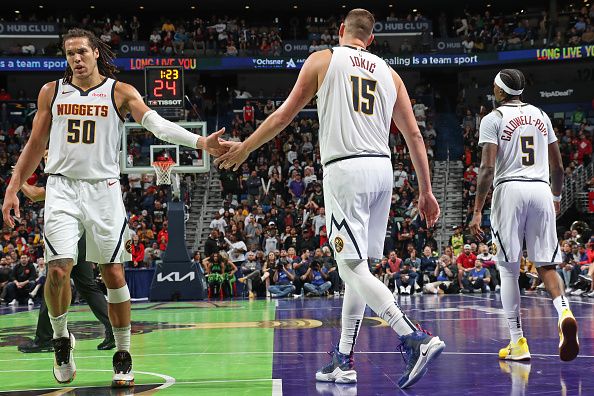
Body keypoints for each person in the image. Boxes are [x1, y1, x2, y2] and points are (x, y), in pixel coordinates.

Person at [215, 8, 444, 388]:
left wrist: (246, 148)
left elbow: (284, 115)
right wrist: (426, 191)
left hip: (346, 171)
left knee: (348, 269)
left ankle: (412, 336)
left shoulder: (324, 58)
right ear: (370, 39)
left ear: (341, 31)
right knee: (359, 270)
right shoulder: (391, 75)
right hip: (383, 172)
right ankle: (343, 358)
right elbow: (415, 137)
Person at [1, 28, 225, 388]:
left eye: (82, 52)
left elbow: (157, 125)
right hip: (61, 187)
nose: (76, 58)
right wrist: (12, 188)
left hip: (103, 191)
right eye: (70, 53)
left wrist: (199, 142)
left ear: (95, 54)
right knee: (57, 271)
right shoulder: (52, 92)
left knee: (114, 276)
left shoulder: (119, 92)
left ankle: (123, 352)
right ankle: (61, 339)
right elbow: (34, 144)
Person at [470, 68, 579, 362]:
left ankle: (518, 342)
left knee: (508, 268)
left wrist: (478, 209)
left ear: (500, 91)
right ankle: (564, 311)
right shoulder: (542, 115)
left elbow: (487, 169)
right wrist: (556, 198)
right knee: (546, 263)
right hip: (541, 190)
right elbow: (558, 167)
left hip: (510, 190)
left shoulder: (493, 119)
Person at [17, 175, 115, 353]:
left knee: (54, 282)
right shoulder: (81, 178)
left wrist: (18, 177)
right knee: (86, 285)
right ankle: (114, 329)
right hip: (83, 234)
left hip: (66, 234)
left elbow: (33, 194)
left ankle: (45, 338)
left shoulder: (61, 181)